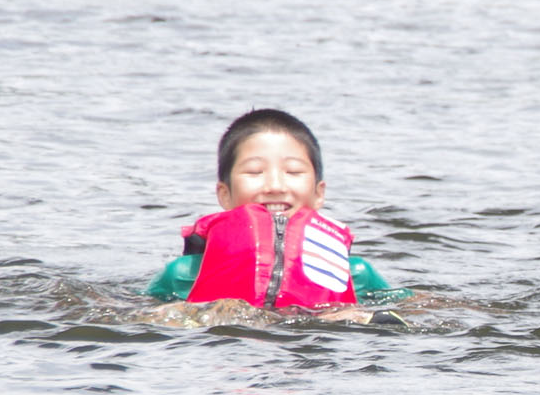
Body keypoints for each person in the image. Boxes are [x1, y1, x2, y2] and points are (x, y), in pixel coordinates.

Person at [144, 108, 402, 310]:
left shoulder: (356, 275)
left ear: (318, 193)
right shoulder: (182, 275)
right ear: (225, 194)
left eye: (293, 171)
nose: (275, 185)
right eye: (255, 172)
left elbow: (411, 309)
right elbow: (136, 313)